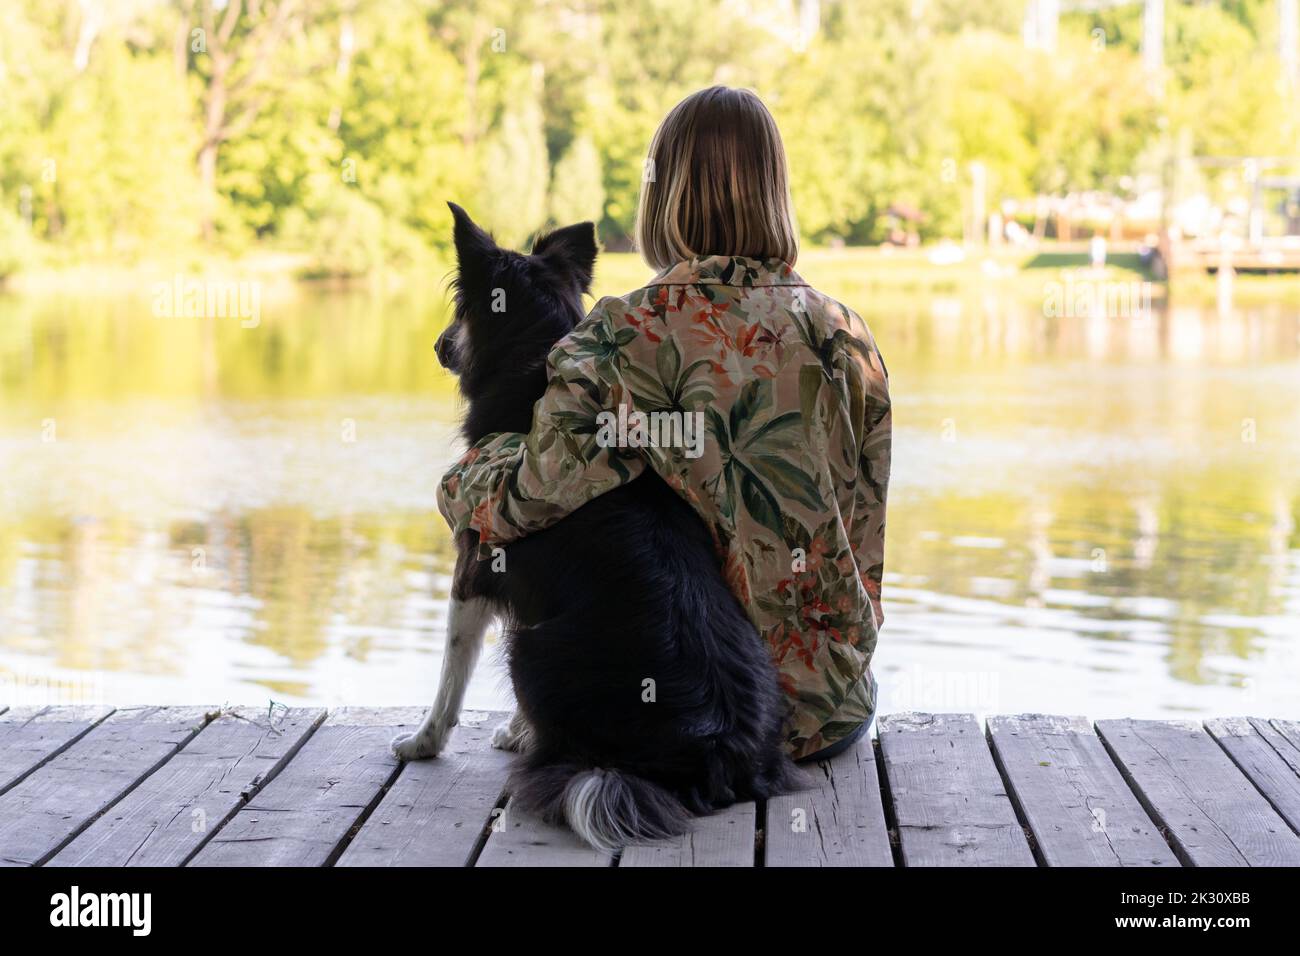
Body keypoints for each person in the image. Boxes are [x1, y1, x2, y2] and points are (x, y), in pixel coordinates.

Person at [437, 85, 891, 761]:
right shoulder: (847, 335)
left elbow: (529, 498)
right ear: (777, 190)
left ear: (664, 196)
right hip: (838, 709)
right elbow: (866, 532)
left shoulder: (626, 334)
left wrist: (459, 480)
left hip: (709, 716)